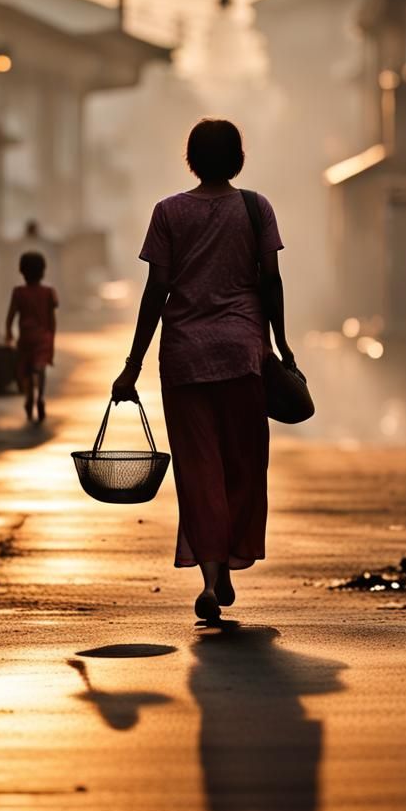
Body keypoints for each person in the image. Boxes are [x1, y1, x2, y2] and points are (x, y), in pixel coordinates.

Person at [111, 118, 293, 622]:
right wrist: (282, 344)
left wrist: (133, 364)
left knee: (199, 470)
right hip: (242, 357)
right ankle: (226, 562)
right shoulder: (256, 209)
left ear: (191, 158)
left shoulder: (169, 212)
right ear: (237, 158)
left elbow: (156, 292)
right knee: (242, 465)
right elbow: (272, 283)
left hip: (185, 359)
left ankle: (212, 578)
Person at [6, 251, 58, 423]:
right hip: (43, 338)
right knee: (40, 368)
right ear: (43, 271)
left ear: (22, 271)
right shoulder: (49, 292)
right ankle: (40, 397)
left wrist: (8, 333)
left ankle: (29, 398)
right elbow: (52, 318)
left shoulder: (18, 292)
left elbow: (11, 315)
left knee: (26, 371)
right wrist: (51, 336)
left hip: (26, 337)